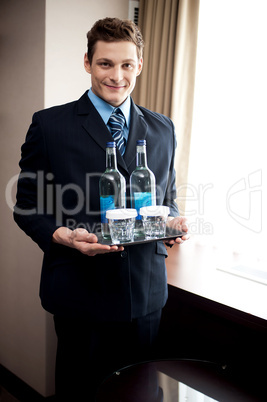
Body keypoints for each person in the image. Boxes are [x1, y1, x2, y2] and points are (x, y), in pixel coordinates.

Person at [14, 17, 189, 401]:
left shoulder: (164, 129)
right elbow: (26, 206)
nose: (117, 76)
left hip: (146, 295)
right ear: (87, 63)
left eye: (127, 64)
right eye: (105, 63)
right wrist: (63, 236)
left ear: (139, 65)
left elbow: (167, 195)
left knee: (139, 395)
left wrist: (172, 220)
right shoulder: (49, 125)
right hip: (81, 294)